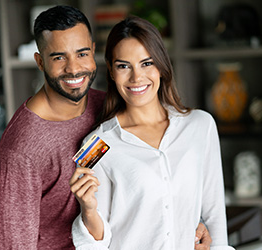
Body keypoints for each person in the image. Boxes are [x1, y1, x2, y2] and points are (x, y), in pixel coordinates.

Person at [0, 5, 211, 250]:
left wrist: (191, 223)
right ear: (40, 61)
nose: (74, 68)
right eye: (58, 57)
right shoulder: (22, 147)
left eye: (82, 54)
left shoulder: (108, 106)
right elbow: (12, 245)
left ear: (94, 51)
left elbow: (153, 184)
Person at [70, 16, 235, 250]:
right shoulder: (95, 144)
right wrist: (87, 207)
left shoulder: (201, 126)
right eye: (124, 66)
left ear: (161, 66)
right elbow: (94, 244)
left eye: (147, 63)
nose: (137, 77)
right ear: (112, 71)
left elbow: (215, 217)